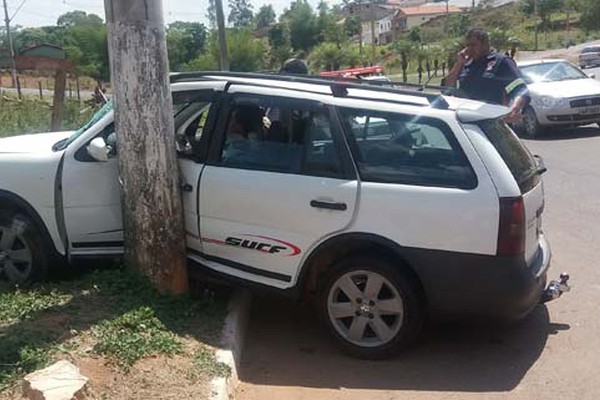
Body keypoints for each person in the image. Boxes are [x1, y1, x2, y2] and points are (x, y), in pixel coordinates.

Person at [444, 28, 529, 123]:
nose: (469, 49)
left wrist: (513, 110)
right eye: (467, 45)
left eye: (473, 45)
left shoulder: (501, 62)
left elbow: (521, 89)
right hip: (466, 121)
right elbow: (447, 87)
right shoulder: (466, 64)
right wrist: (458, 64)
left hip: (492, 122)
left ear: (485, 44)